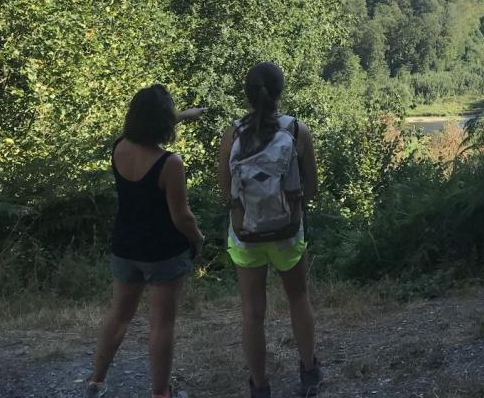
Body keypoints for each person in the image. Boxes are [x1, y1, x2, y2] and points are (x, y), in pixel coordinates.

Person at [85, 84, 206, 398]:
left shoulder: (119, 147)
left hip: (125, 247)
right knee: (162, 324)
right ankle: (160, 393)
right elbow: (181, 217)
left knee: (119, 315)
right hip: (162, 252)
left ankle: (96, 381)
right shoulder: (170, 163)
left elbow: (147, 125)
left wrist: (181, 115)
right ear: (163, 122)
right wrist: (199, 239)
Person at [219, 61, 322, 397]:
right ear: (281, 92)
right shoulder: (296, 131)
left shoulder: (232, 134)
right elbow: (313, 188)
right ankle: (309, 372)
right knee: (298, 297)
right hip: (287, 233)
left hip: (245, 235)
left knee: (252, 313)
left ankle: (259, 385)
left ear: (247, 95)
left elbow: (224, 192)